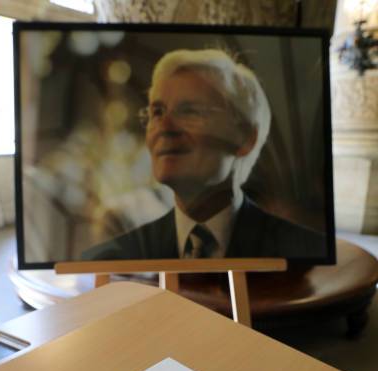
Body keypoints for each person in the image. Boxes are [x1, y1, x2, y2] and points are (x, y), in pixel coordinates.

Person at [83, 48, 326, 261]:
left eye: (189, 111)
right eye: (157, 112)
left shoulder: (305, 252)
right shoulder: (117, 256)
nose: (163, 128)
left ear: (244, 138)